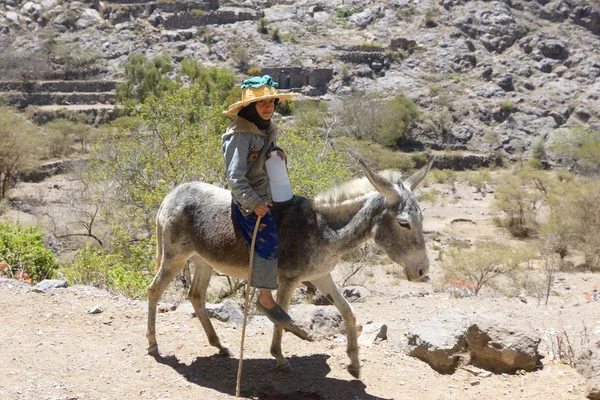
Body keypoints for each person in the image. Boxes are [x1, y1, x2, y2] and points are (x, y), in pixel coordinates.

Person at [222, 75, 298, 326]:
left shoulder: (265, 128)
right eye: (262, 103)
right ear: (249, 108)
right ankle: (265, 299)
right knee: (267, 234)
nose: (268, 108)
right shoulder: (239, 134)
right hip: (250, 198)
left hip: (271, 192)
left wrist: (277, 153)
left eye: (272, 102)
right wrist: (253, 202)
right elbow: (235, 176)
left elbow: (264, 158)